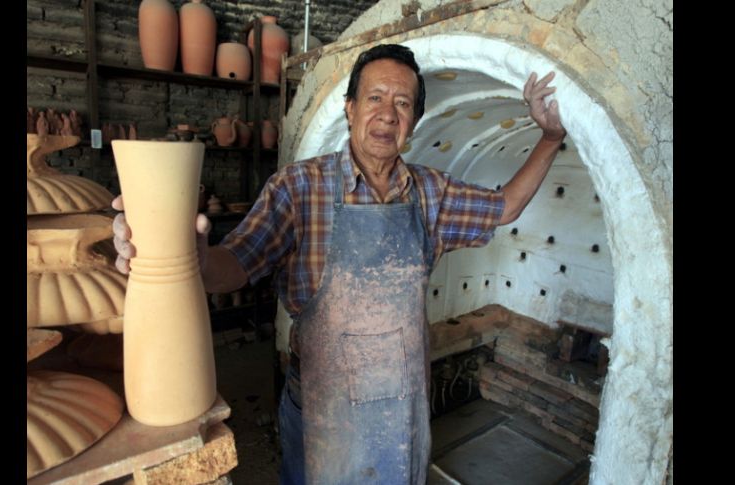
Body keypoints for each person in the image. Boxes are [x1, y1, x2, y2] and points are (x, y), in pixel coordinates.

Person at [112, 44, 566, 485]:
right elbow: (233, 265)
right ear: (350, 109)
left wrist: (550, 137)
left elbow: (505, 207)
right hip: (320, 403)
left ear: (414, 121)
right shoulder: (298, 187)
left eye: (402, 103)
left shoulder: (432, 193)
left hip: (401, 407)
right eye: (375, 98)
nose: (387, 114)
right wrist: (191, 257)